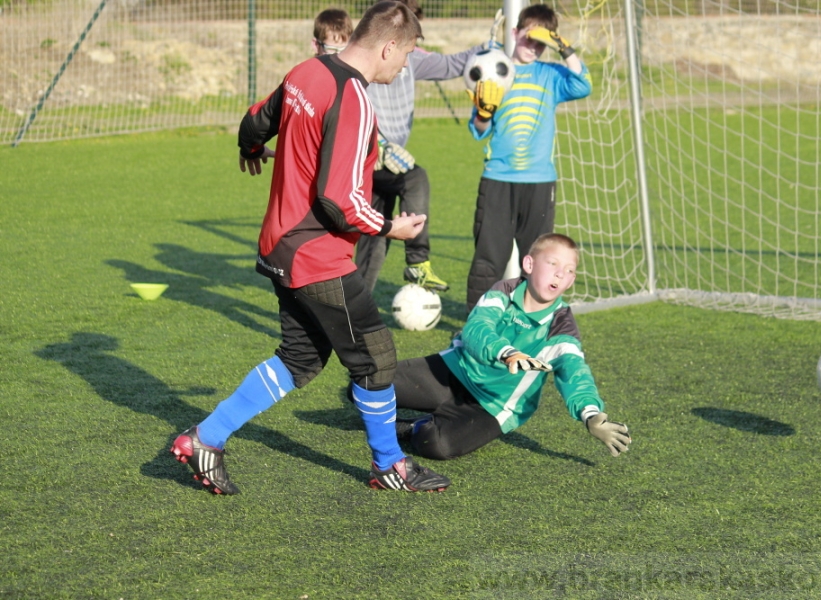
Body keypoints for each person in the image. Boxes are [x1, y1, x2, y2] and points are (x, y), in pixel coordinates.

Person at [170, 1, 451, 495]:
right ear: (387, 46)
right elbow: (340, 201)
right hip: (315, 254)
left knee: (301, 359)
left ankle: (205, 439)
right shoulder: (355, 99)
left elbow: (257, 118)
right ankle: (390, 465)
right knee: (377, 358)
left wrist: (251, 148)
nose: (405, 66)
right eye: (406, 56)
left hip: (279, 244)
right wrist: (392, 227)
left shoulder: (307, 70)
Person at [389, 233, 632, 460]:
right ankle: (436, 414)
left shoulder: (561, 327)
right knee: (370, 384)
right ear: (529, 265)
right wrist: (507, 352)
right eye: (553, 264)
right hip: (457, 369)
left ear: (572, 280)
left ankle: (415, 425)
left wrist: (590, 413)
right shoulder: (503, 292)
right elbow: (476, 329)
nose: (560, 274)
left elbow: (574, 372)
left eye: (569, 270)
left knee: (434, 443)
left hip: (494, 405)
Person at [354, 0, 501, 294]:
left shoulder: (413, 59)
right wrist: (378, 142)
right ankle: (417, 261)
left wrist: (490, 46)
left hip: (392, 159)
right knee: (415, 177)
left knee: (376, 235)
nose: (410, 53)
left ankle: (356, 305)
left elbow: (452, 65)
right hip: (368, 157)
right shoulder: (364, 58)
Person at [464, 4, 593, 313]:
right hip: (498, 180)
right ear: (514, 33)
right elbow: (478, 130)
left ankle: (527, 321)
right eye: (527, 38)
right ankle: (476, 323)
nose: (533, 47)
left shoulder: (551, 74)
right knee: (488, 257)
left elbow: (583, 84)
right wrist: (484, 112)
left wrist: (561, 45)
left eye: (540, 42)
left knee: (536, 261)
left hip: (539, 182)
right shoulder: (495, 71)